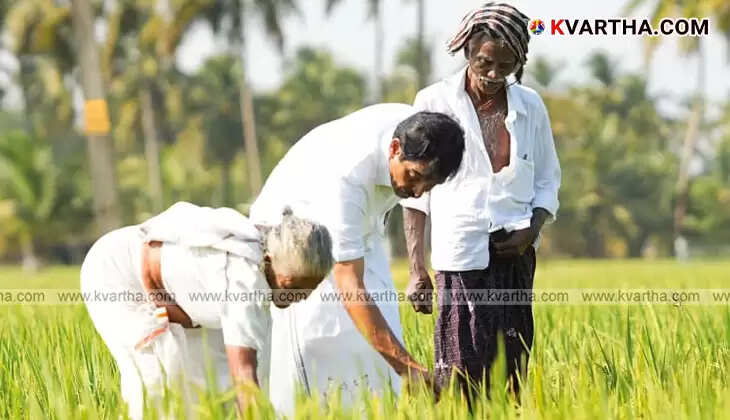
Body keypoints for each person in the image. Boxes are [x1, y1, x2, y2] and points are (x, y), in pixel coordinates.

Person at [249, 104, 465, 414]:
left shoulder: (421, 133)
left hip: (363, 225)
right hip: (300, 235)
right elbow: (349, 284)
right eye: (414, 177)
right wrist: (409, 368)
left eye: (428, 185)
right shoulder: (347, 177)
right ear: (394, 148)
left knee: (382, 340)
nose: (418, 192)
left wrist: (418, 267)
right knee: (318, 343)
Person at [401, 2, 561, 401]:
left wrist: (532, 229)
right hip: (460, 257)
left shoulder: (530, 107)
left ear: (519, 61)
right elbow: (416, 195)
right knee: (458, 371)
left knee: (512, 369)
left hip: (515, 257)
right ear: (468, 49)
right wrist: (417, 268)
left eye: (505, 65)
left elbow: (547, 181)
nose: (493, 74)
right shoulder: (435, 101)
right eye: (485, 61)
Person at [80, 202, 333, 419]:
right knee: (158, 386)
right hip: (119, 276)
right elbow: (244, 377)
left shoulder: (272, 249)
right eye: (292, 286)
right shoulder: (242, 284)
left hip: (186, 301)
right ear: (268, 262)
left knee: (215, 386)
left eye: (309, 288)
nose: (300, 297)